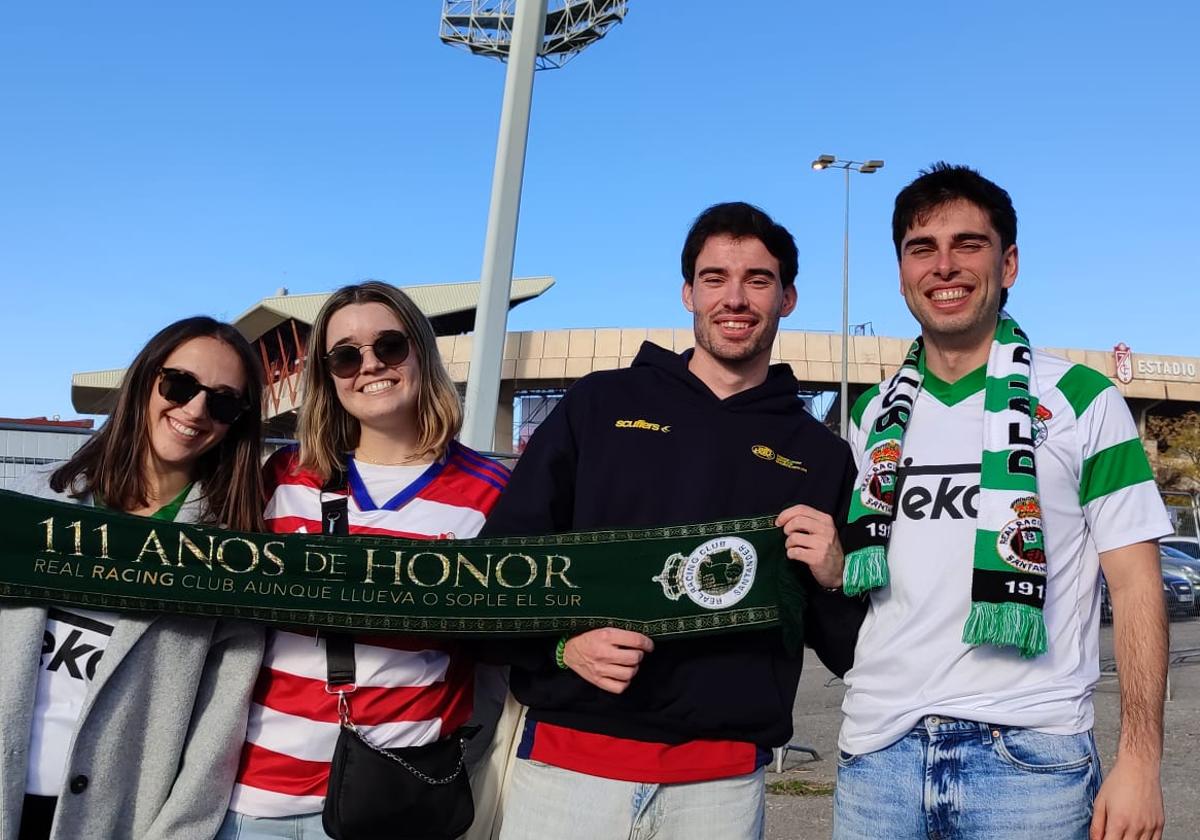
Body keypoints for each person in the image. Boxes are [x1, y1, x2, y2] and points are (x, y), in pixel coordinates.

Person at [481, 202, 866, 840]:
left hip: (720, 789)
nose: (735, 298)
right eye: (715, 278)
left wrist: (834, 575)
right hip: (567, 772)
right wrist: (559, 648)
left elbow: (849, 648)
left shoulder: (820, 454)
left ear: (789, 297)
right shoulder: (599, 405)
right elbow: (502, 573)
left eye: (758, 280)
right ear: (688, 292)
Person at [834, 163, 1170, 840]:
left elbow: (1136, 587)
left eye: (969, 244)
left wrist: (1140, 761)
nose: (944, 266)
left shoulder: (1081, 398)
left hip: (1029, 761)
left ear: (1008, 263)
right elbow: (858, 577)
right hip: (877, 754)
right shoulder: (869, 416)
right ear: (902, 272)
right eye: (921, 248)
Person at [222, 281, 509, 838]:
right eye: (345, 356)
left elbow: (507, 644)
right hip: (256, 798)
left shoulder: (492, 492)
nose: (370, 364)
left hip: (399, 799)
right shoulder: (280, 479)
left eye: (390, 346)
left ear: (422, 352)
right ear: (328, 376)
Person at [2, 316, 267, 840]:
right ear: (146, 379)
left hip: (119, 822)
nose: (194, 409)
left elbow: (216, 740)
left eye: (222, 401)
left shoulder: (227, 556)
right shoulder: (29, 507)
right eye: (180, 385)